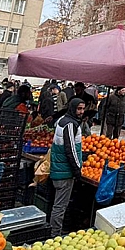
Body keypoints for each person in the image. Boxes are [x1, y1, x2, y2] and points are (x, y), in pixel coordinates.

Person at [49, 98, 85, 235]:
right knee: (60, 206)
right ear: (72, 108)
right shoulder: (70, 124)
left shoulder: (62, 120)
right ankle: (54, 234)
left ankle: (53, 231)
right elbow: (70, 149)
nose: (81, 112)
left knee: (57, 204)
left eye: (83, 109)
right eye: (79, 109)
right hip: (64, 172)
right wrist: (77, 170)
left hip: (59, 169)